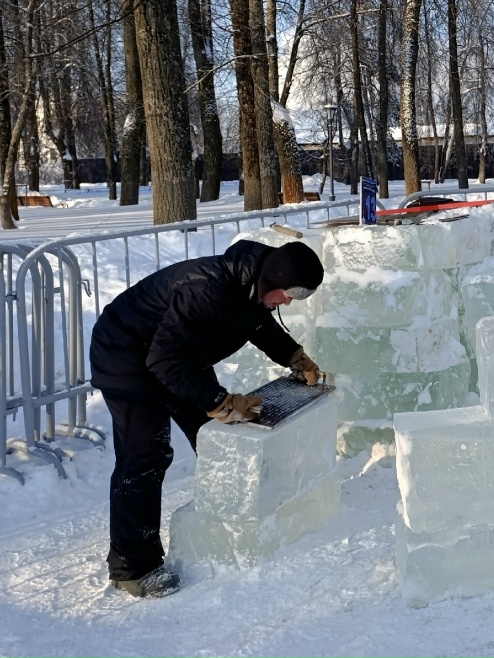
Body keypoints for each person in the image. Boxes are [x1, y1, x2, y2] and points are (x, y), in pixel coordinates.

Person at [90, 239, 326, 598]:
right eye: (289, 293)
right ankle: (133, 566)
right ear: (272, 280)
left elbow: (257, 325)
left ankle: (236, 518)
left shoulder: (252, 285)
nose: (290, 302)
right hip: (126, 354)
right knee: (146, 456)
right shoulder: (208, 290)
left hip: (175, 356)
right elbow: (163, 362)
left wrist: (294, 356)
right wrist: (220, 401)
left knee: (217, 434)